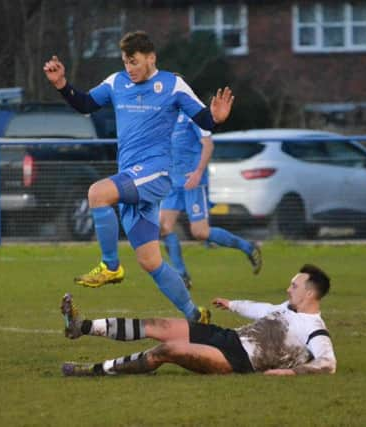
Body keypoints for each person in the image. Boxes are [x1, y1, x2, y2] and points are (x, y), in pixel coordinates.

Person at [44, 31, 234, 323]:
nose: (129, 68)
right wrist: (61, 85)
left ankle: (110, 266)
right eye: (125, 62)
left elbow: (204, 120)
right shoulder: (116, 82)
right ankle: (195, 315)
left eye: (133, 61)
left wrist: (217, 119)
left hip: (156, 172)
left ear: (151, 58)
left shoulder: (173, 84)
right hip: (131, 177)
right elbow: (84, 104)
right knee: (150, 262)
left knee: (97, 193)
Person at [60, 264, 336, 376]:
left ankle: (93, 370)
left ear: (310, 292)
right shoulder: (288, 307)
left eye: (294, 286)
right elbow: (262, 309)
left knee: (167, 351)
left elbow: (328, 363)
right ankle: (80, 326)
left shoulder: (313, 329)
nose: (289, 289)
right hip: (228, 337)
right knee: (158, 325)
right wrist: (233, 304)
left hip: (237, 361)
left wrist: (292, 372)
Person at [160, 111, 262, 289]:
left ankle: (248, 247)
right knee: (163, 228)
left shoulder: (193, 115)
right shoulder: (166, 116)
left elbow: (208, 145)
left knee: (200, 232)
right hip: (173, 182)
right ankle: (182, 275)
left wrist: (198, 172)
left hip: (193, 182)